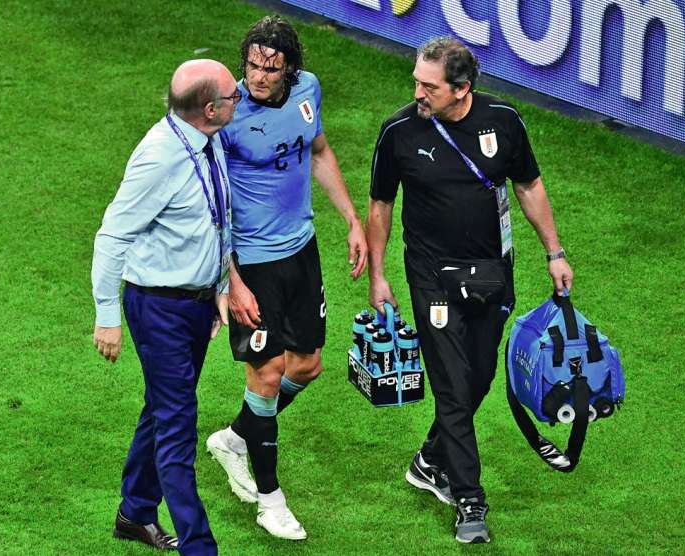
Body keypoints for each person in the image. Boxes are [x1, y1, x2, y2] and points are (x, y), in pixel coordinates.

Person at [366, 37, 573, 544]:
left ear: (462, 90)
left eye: (428, 85)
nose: (417, 91)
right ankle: (469, 500)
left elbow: (529, 187)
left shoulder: (504, 121)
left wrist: (554, 252)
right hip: (431, 276)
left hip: (492, 274)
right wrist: (378, 274)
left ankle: (429, 459)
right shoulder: (398, 131)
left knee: (477, 379)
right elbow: (380, 205)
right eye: (416, 80)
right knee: (454, 390)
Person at [204, 16, 367, 541]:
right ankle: (270, 501)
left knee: (308, 364)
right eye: (251, 64)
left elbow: (317, 151)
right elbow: (214, 204)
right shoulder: (227, 114)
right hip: (250, 261)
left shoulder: (309, 90)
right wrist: (231, 280)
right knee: (268, 372)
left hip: (301, 249)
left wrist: (350, 219)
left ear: (289, 69)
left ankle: (235, 437)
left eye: (270, 68)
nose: (258, 76)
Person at [91, 59, 238, 555]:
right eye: (233, 95)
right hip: (159, 309)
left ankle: (134, 512)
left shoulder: (207, 138)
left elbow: (217, 217)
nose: (241, 98)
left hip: (195, 304)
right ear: (210, 108)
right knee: (178, 427)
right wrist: (107, 315)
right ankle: (200, 548)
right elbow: (112, 236)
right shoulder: (159, 157)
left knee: (162, 407)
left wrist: (218, 284)